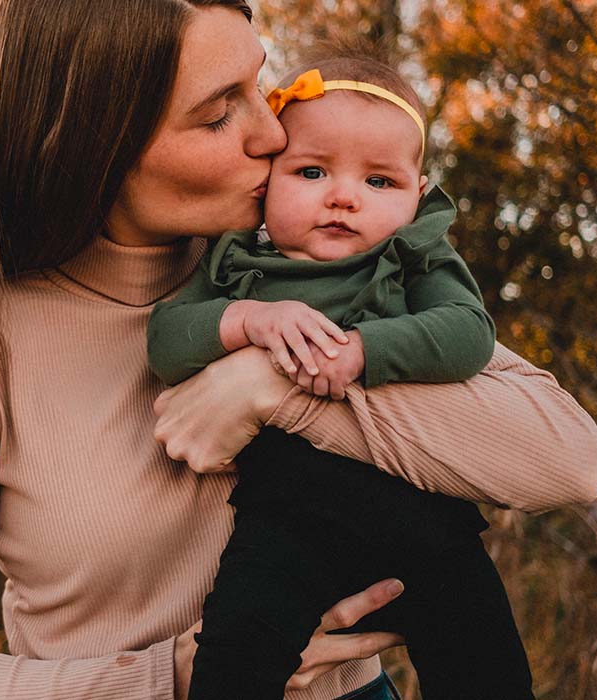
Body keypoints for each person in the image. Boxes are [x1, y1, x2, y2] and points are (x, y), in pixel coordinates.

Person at [0, 2, 597, 699]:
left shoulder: (301, 257)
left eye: (259, 86)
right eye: (217, 116)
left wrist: (275, 387)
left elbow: (568, 457)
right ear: (98, 142)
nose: (274, 133)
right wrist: (177, 675)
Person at [148, 45, 533, 700]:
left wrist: (362, 350)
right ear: (267, 181)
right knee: (235, 654)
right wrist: (246, 321)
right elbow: (166, 340)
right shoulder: (238, 260)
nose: (343, 198)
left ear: (416, 197)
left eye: (378, 182)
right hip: (287, 514)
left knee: (484, 665)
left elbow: (468, 334)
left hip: (421, 511)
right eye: (312, 171)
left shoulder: (414, 255)